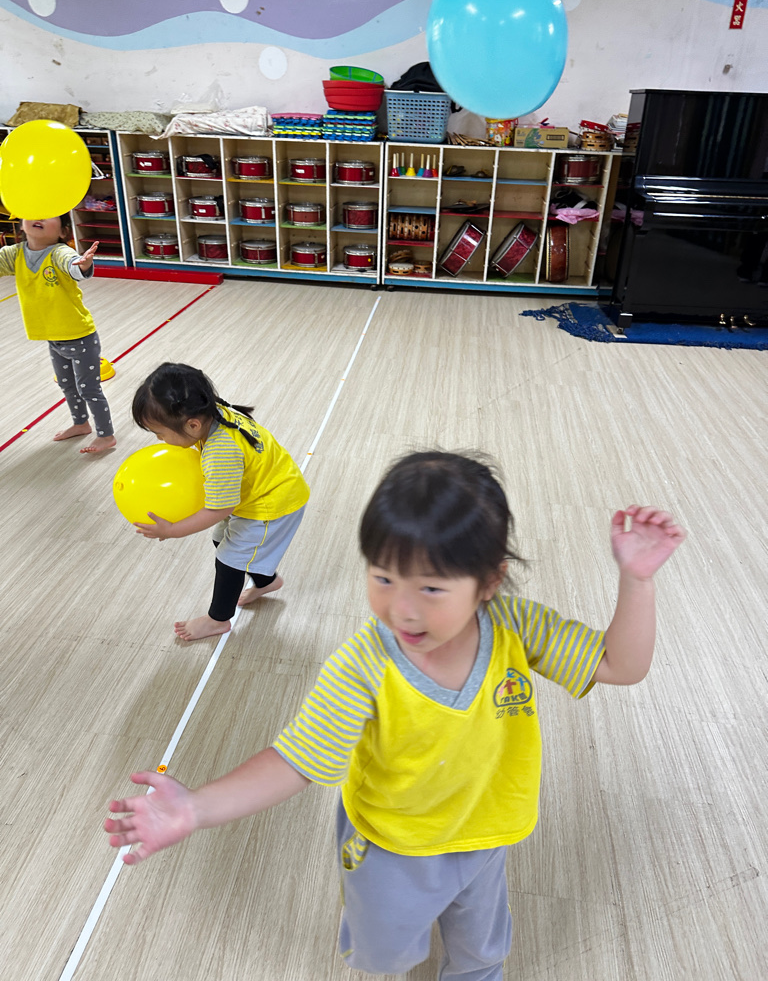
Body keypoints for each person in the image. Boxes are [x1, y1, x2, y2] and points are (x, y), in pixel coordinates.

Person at [104, 451, 686, 978]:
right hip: (392, 845)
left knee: (483, 955)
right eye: (383, 578)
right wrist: (196, 807)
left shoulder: (515, 626)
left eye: (431, 589)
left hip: (486, 833)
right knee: (386, 955)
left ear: (489, 582)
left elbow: (619, 665)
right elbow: (293, 762)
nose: (401, 609)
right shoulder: (364, 664)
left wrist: (637, 581)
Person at [131, 363, 309, 642]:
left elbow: (219, 509)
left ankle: (218, 620)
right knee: (221, 540)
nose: (160, 440)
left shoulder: (220, 451)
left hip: (270, 505)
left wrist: (173, 530)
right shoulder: (214, 413)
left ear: (192, 424)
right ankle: (267, 581)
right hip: (260, 491)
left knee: (229, 559)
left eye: (160, 433)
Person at [0, 214, 116, 453]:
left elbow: (72, 265)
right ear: (21, 225)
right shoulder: (15, 254)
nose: (39, 217)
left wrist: (82, 264)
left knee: (88, 389)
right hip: (53, 338)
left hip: (80, 336)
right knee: (67, 385)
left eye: (48, 215)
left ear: (63, 232)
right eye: (33, 213)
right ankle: (81, 424)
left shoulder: (59, 253)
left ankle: (106, 435)